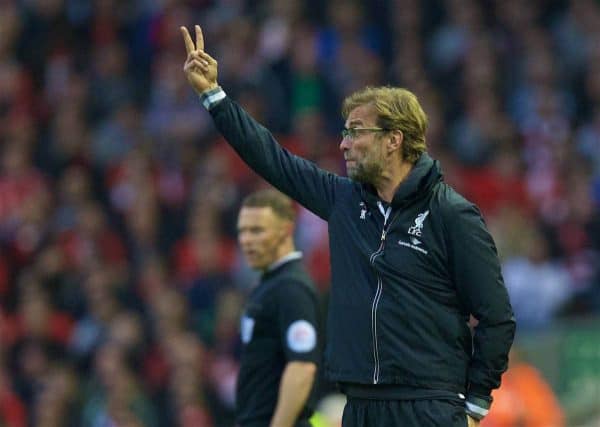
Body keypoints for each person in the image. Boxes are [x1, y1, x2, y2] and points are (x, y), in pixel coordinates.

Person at [180, 25, 515, 427]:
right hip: (359, 407)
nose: (343, 144)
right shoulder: (344, 201)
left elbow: (496, 317)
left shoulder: (451, 215)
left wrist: (476, 404)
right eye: (344, 133)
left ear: (394, 139)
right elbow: (273, 159)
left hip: (430, 406)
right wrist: (214, 96)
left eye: (356, 133)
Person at [235, 189, 320, 427]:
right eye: (242, 231)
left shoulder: (291, 289)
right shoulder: (269, 285)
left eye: (257, 230)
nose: (246, 240)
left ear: (286, 230)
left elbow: (302, 366)